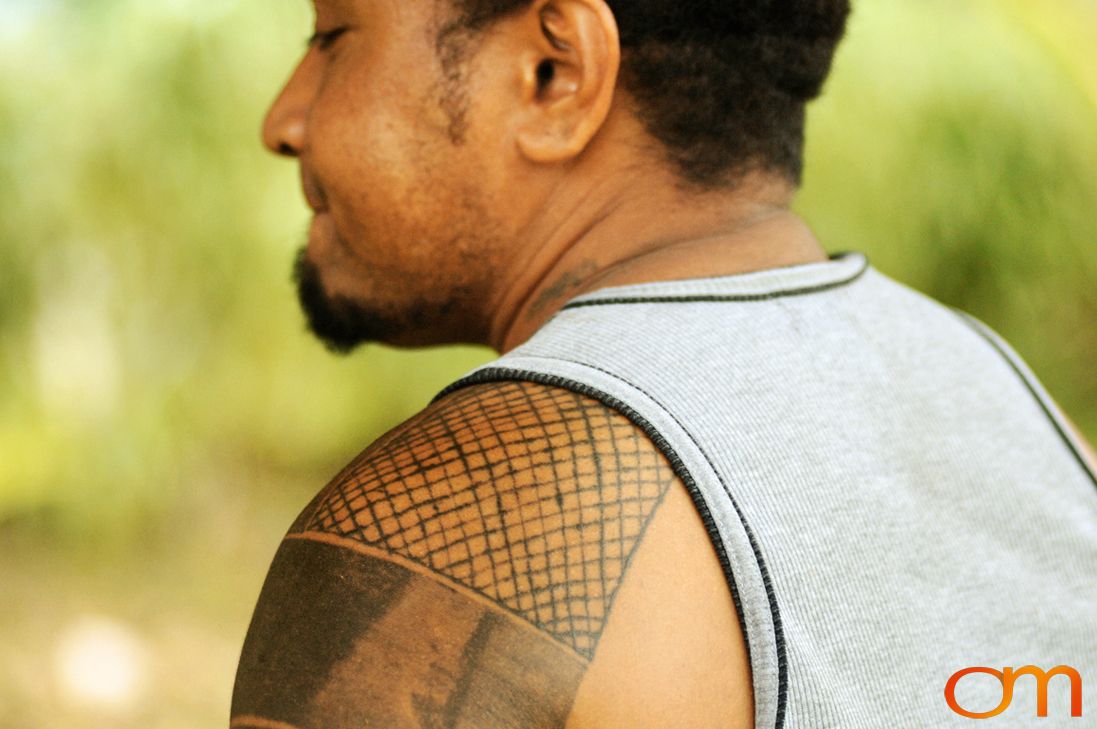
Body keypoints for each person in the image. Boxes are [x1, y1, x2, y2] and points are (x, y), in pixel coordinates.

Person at [231, 0, 1097, 726]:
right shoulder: (1018, 412)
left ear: (554, 74)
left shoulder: (452, 513)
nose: (284, 117)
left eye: (331, 39)